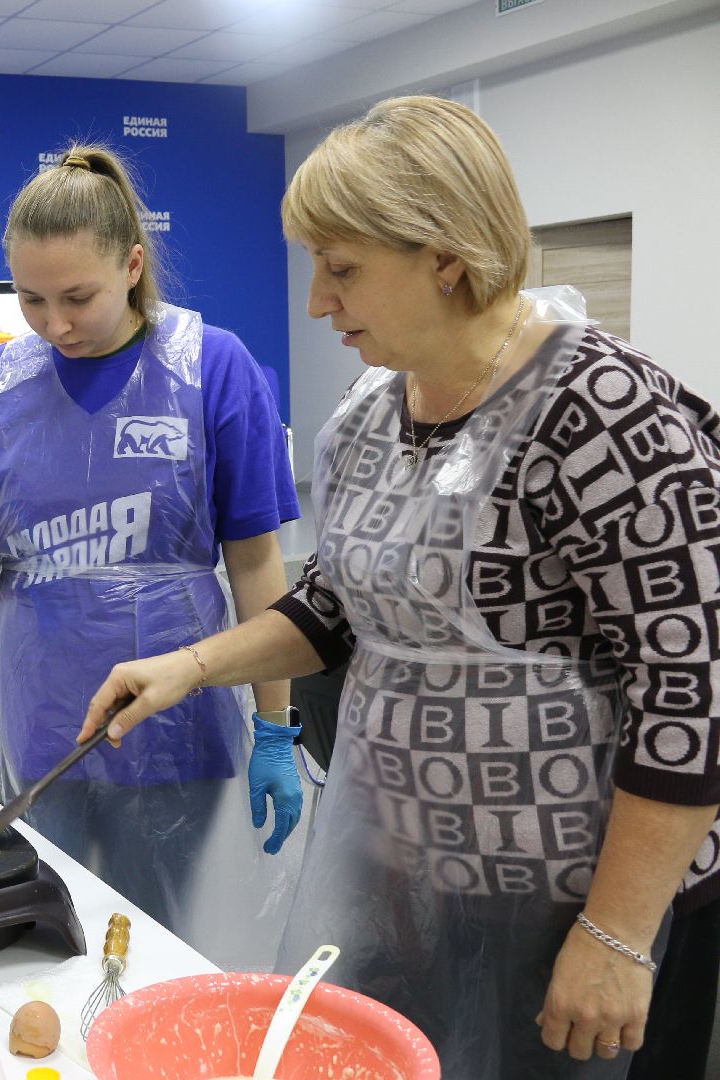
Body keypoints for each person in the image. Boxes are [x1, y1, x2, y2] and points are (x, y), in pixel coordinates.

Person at [82, 96, 720, 1078]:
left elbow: (691, 686)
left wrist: (618, 936)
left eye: (342, 270)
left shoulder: (603, 412)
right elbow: (338, 605)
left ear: (446, 258)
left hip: (574, 906)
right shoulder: (373, 409)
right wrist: (189, 666)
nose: (317, 303)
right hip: (405, 886)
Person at [0, 144, 304, 968]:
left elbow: (256, 564)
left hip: (176, 720)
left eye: (78, 298)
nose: (55, 325)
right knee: (40, 940)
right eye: (30, 299)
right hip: (36, 714)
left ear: (131, 265)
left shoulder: (211, 368)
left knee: (158, 945)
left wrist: (275, 725)